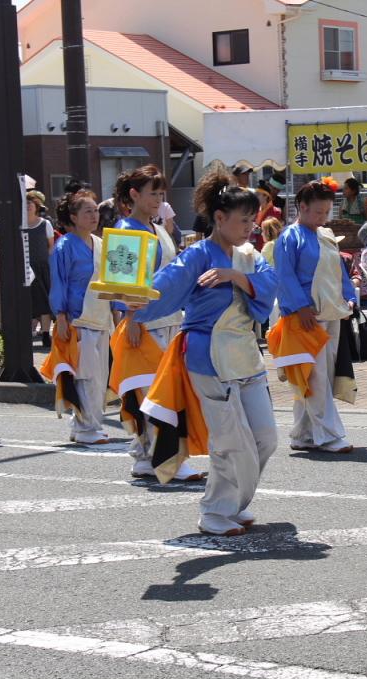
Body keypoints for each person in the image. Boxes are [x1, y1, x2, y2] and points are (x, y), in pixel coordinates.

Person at [135, 171, 278, 535]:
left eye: (252, 220)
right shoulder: (198, 255)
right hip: (207, 357)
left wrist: (235, 276)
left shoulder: (249, 256)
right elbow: (162, 290)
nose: (250, 227)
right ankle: (215, 510)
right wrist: (133, 301)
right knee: (231, 439)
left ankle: (231, 503)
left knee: (264, 437)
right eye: (243, 220)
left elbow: (268, 287)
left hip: (245, 354)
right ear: (219, 218)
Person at [110, 165, 194, 478]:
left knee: (153, 390)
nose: (158, 199)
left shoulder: (156, 229)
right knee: (155, 392)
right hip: (144, 323)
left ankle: (146, 455)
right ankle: (166, 458)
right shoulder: (127, 230)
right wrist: (130, 319)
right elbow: (122, 284)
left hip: (167, 318)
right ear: (134, 195)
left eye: (161, 193)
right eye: (152, 193)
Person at [273, 179, 357, 454]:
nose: (322, 217)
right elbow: (284, 277)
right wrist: (300, 307)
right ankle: (329, 434)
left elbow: (340, 271)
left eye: (326, 212)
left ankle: (304, 432)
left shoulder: (325, 234)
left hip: (330, 311)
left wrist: (350, 297)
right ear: (303, 207)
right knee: (315, 375)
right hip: (306, 316)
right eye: (318, 211)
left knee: (317, 375)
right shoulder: (289, 237)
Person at [44, 189, 114, 444]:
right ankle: (86, 426)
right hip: (77, 317)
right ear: (73, 217)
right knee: (86, 374)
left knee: (100, 375)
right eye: (88, 211)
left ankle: (85, 422)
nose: (94, 215)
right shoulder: (64, 246)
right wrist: (60, 315)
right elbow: (59, 283)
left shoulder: (101, 244)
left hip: (101, 315)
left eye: (96, 210)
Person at [24, 190, 55, 347]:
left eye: (31, 204)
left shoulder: (45, 224)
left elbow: (51, 246)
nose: (28, 206)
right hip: (25, 269)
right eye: (26, 204)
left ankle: (45, 334)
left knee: (44, 302)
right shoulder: (19, 225)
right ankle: (27, 334)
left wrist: (48, 263)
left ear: (37, 206)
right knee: (27, 302)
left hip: (42, 267)